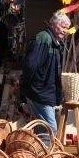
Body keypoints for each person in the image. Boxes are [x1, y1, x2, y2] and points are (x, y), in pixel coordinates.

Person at [22, 11, 70, 140]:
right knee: (50, 129)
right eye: (63, 27)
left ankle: (39, 156)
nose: (65, 31)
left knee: (44, 129)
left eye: (67, 28)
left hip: (46, 93)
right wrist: (26, 88)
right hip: (40, 93)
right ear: (54, 25)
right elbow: (31, 65)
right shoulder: (44, 38)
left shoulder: (54, 42)